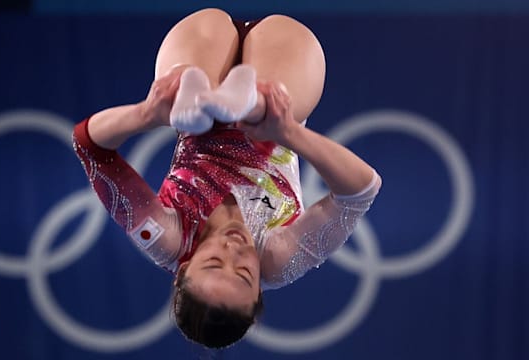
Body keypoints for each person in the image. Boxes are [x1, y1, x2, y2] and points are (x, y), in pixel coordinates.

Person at [72, 8, 381, 349]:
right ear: (259, 291)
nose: (234, 250)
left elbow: (91, 148)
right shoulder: (279, 257)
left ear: (182, 272)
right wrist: (290, 132)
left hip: (201, 71)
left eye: (215, 262)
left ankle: (205, 95)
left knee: (182, 87)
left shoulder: (166, 237)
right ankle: (251, 104)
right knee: (278, 102)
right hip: (281, 84)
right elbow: (361, 190)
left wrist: (147, 114)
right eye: (246, 274)